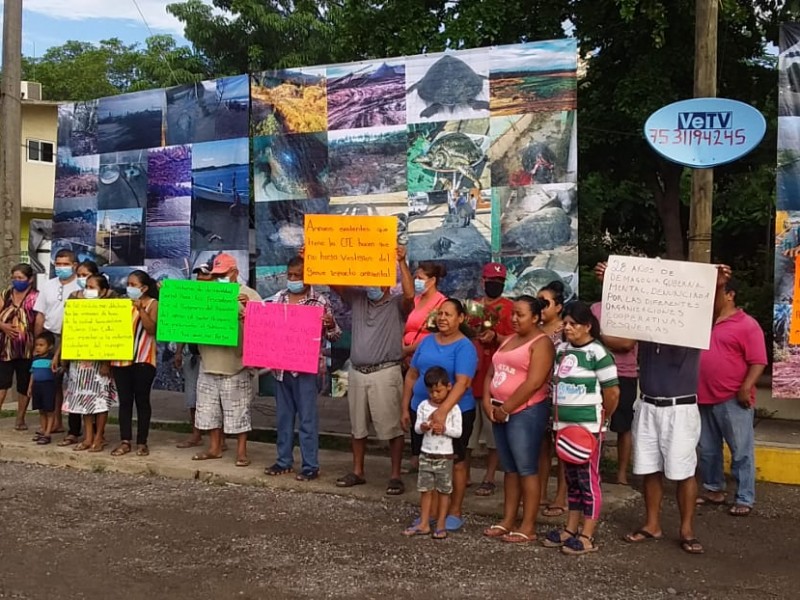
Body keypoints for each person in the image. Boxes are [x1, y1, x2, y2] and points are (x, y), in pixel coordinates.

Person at [595, 260, 731, 555]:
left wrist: (717, 285)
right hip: (648, 404)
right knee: (649, 469)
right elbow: (620, 334)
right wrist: (612, 282)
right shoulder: (645, 325)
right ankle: (652, 524)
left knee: (683, 471)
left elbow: (713, 312)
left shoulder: (692, 326)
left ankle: (686, 529)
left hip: (680, 407)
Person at [334, 246, 414, 494]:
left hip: (386, 371)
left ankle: (395, 475)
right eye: (369, 280)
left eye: (377, 280)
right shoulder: (358, 298)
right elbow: (336, 284)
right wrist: (314, 258)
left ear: (388, 284)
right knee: (357, 427)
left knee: (392, 428)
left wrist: (401, 262)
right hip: (358, 372)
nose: (371, 285)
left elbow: (411, 295)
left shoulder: (396, 303)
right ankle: (358, 471)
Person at [542, 301, 619, 555]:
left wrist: (601, 420)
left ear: (587, 326)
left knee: (588, 480)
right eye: (565, 324)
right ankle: (570, 528)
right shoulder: (562, 350)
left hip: (587, 428)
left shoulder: (598, 353)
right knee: (571, 480)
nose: (568, 328)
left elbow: (612, 392)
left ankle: (587, 534)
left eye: (573, 324)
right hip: (563, 427)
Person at [481, 296, 553, 543]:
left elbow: (534, 382)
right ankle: (507, 520)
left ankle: (528, 525)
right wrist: (487, 400)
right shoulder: (509, 340)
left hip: (525, 412)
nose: (514, 318)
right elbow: (492, 371)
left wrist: (507, 407)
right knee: (509, 469)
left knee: (526, 468)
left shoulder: (541, 343)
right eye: (513, 313)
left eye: (520, 315)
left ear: (535, 317)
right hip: (499, 410)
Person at [402, 298, 478, 531]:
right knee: (428, 460)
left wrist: (442, 412)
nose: (443, 318)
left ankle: (454, 510)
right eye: (440, 314)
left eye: (449, 314)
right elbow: (413, 374)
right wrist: (405, 406)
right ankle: (431, 513)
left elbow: (463, 382)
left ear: (461, 318)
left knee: (455, 462)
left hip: (455, 412)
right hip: (421, 410)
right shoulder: (426, 342)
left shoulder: (465, 346)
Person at [265, 255, 341, 481]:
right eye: (289, 275)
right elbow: (266, 327)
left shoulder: (319, 302)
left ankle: (310, 465)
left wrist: (330, 324)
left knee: (307, 419)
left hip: (307, 369)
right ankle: (283, 461)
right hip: (281, 368)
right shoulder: (278, 298)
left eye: (297, 276)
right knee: (283, 417)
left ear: (308, 277)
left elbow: (335, 336)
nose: (293, 279)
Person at [696, 278, 767, 517]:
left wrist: (746, 386)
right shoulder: (702, 323)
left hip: (732, 397)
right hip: (702, 395)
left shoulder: (747, 325)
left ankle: (745, 496)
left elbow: (758, 361)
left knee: (741, 449)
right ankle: (713, 488)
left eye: (716, 292)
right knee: (707, 449)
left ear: (730, 295)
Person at [192, 253, 261, 466]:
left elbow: (264, 329)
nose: (219, 278)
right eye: (217, 274)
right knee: (208, 409)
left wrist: (250, 311)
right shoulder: (203, 294)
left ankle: (241, 452)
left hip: (236, 364)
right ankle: (214, 448)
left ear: (235, 273)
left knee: (239, 410)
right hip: (209, 361)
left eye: (223, 274)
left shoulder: (249, 295)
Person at [465, 262, 514, 497]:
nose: (495, 285)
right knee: (467, 431)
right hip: (470, 376)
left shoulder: (511, 308)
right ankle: (463, 474)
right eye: (492, 281)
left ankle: (489, 477)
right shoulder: (472, 307)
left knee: (493, 434)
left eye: (500, 282)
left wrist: (496, 336)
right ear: (482, 281)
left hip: (497, 379)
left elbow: (517, 341)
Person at [402, 366, 462, 539]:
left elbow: (457, 432)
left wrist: (443, 429)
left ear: (448, 387)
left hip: (445, 456)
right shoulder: (423, 406)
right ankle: (424, 522)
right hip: (426, 454)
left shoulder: (454, 409)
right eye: (431, 391)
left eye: (438, 391)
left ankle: (441, 523)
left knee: (444, 491)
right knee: (425, 489)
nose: (435, 395)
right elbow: (417, 429)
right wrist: (423, 426)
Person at [61, 274, 118, 452]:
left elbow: (114, 338)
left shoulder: (111, 311)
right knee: (83, 399)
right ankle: (87, 437)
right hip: (79, 362)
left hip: (99, 363)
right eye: (86, 286)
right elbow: (68, 333)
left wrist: (106, 362)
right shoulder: (77, 308)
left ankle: (99, 437)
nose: (88, 290)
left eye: (92, 287)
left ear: (103, 291)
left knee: (100, 401)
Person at [402, 261, 447, 474]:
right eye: (416, 277)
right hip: (409, 361)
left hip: (426, 360)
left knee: (430, 404)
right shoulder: (416, 300)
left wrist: (409, 349)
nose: (417, 281)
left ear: (432, 280)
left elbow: (434, 334)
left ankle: (432, 455)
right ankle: (415, 453)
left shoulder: (441, 304)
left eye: (420, 278)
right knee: (414, 407)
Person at [111, 270, 160, 457]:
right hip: (120, 360)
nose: (129, 288)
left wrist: (140, 309)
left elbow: (151, 329)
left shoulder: (152, 304)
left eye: (133, 285)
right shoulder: (121, 304)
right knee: (124, 402)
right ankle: (125, 441)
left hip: (143, 360)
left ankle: (142, 441)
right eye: (128, 285)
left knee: (142, 401)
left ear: (144, 288)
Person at [33, 249, 80, 441]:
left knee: (75, 381)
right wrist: (38, 341)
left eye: (65, 264)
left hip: (73, 337)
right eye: (58, 264)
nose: (61, 268)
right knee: (53, 383)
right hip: (50, 337)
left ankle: (76, 426)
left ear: (74, 265)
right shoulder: (48, 285)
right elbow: (40, 314)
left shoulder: (81, 285)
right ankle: (56, 423)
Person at [590, 301, 638, 485]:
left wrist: (599, 337)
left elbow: (627, 343)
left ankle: (621, 473)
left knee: (624, 425)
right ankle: (594, 469)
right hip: (597, 372)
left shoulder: (634, 308)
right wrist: (610, 340)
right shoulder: (595, 308)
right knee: (595, 422)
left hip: (625, 373)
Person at [537, 280, 568, 518]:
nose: (540, 307)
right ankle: (540, 493)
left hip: (561, 396)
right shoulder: (535, 329)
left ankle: (561, 496)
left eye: (545, 303)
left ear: (558, 306)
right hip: (538, 395)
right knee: (542, 447)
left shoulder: (566, 332)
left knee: (562, 449)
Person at [175, 261, 213, 449]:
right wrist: (179, 351)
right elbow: (183, 326)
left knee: (214, 399)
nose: (200, 279)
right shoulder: (191, 298)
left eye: (205, 275)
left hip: (212, 357)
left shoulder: (219, 300)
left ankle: (217, 440)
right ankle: (196, 434)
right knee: (192, 397)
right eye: (198, 275)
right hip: (192, 354)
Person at [0, 263, 39, 431]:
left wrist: (38, 343)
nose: (17, 281)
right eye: (14, 278)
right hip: (5, 347)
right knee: (2, 383)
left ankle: (20, 418)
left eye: (21, 278)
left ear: (29, 279)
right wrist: (3, 326)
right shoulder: (5, 294)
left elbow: (38, 321)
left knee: (24, 384)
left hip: (27, 348)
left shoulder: (36, 297)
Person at [28, 332, 57, 445]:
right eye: (37, 345)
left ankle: (48, 433)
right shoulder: (35, 359)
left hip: (48, 386)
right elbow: (32, 373)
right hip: (37, 386)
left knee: (49, 410)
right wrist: (30, 387)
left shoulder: (52, 359)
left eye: (41, 345)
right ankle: (43, 430)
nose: (38, 348)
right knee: (41, 410)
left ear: (49, 346)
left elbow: (56, 372)